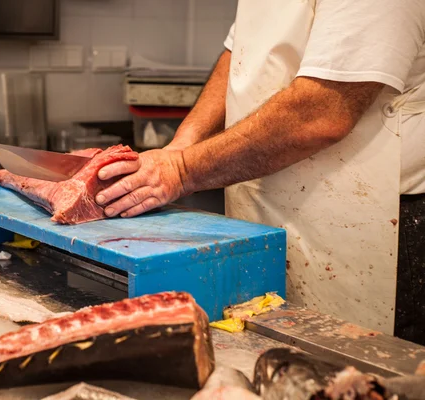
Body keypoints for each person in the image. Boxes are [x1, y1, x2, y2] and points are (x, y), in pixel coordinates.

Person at [95, 0, 425, 344]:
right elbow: (241, 55)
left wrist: (181, 170)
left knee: (356, 376)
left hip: (377, 220)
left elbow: (324, 110)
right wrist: (181, 145)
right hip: (270, 205)